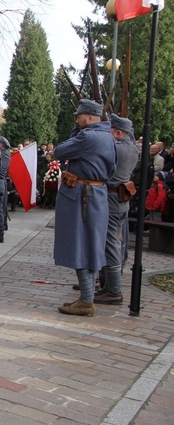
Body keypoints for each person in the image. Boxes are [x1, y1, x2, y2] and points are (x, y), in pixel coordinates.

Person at [55, 99, 116, 316]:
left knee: (79, 244)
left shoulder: (87, 136)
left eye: (79, 117)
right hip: (95, 194)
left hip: (82, 195)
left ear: (90, 117)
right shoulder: (107, 135)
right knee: (90, 244)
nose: (77, 120)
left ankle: (86, 300)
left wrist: (75, 132)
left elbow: (59, 151)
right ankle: (86, 297)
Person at [94, 114, 139, 305]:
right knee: (113, 242)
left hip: (111, 199)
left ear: (118, 133)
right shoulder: (133, 148)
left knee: (110, 244)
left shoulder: (116, 148)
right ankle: (107, 285)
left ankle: (113, 290)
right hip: (121, 199)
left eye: (110, 131)